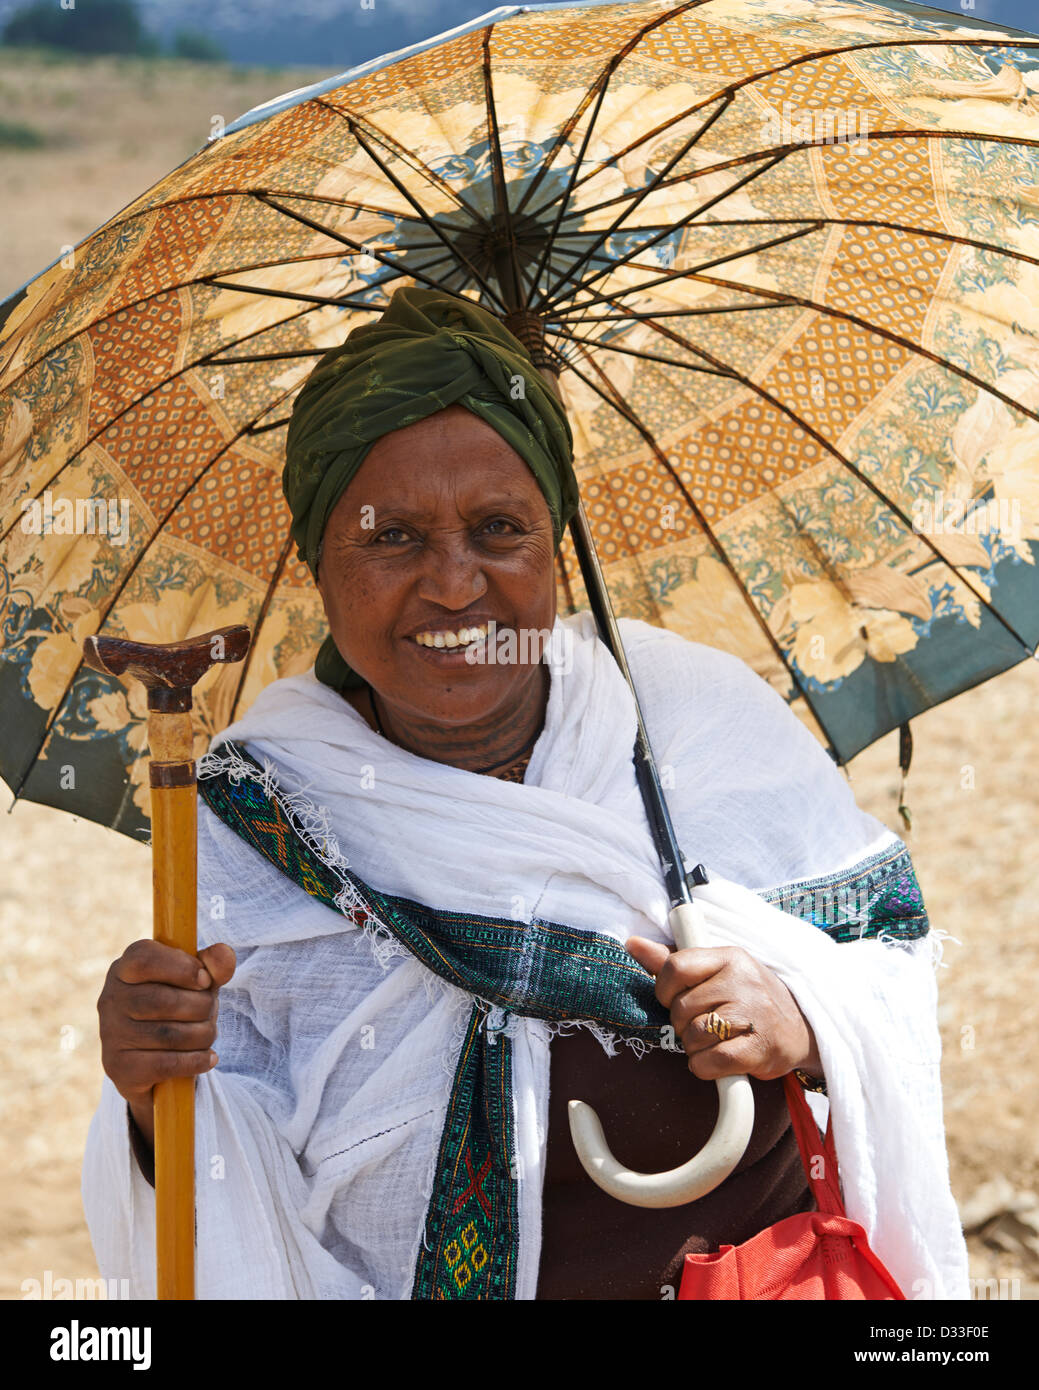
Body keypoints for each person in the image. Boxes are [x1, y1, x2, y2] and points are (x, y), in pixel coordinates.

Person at [84, 286, 969, 1300]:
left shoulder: (684, 717)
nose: (456, 585)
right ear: (318, 568)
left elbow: (886, 947)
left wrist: (802, 1014)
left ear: (556, 545)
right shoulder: (257, 811)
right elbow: (220, 1163)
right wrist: (154, 1093)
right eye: (393, 537)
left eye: (499, 527)